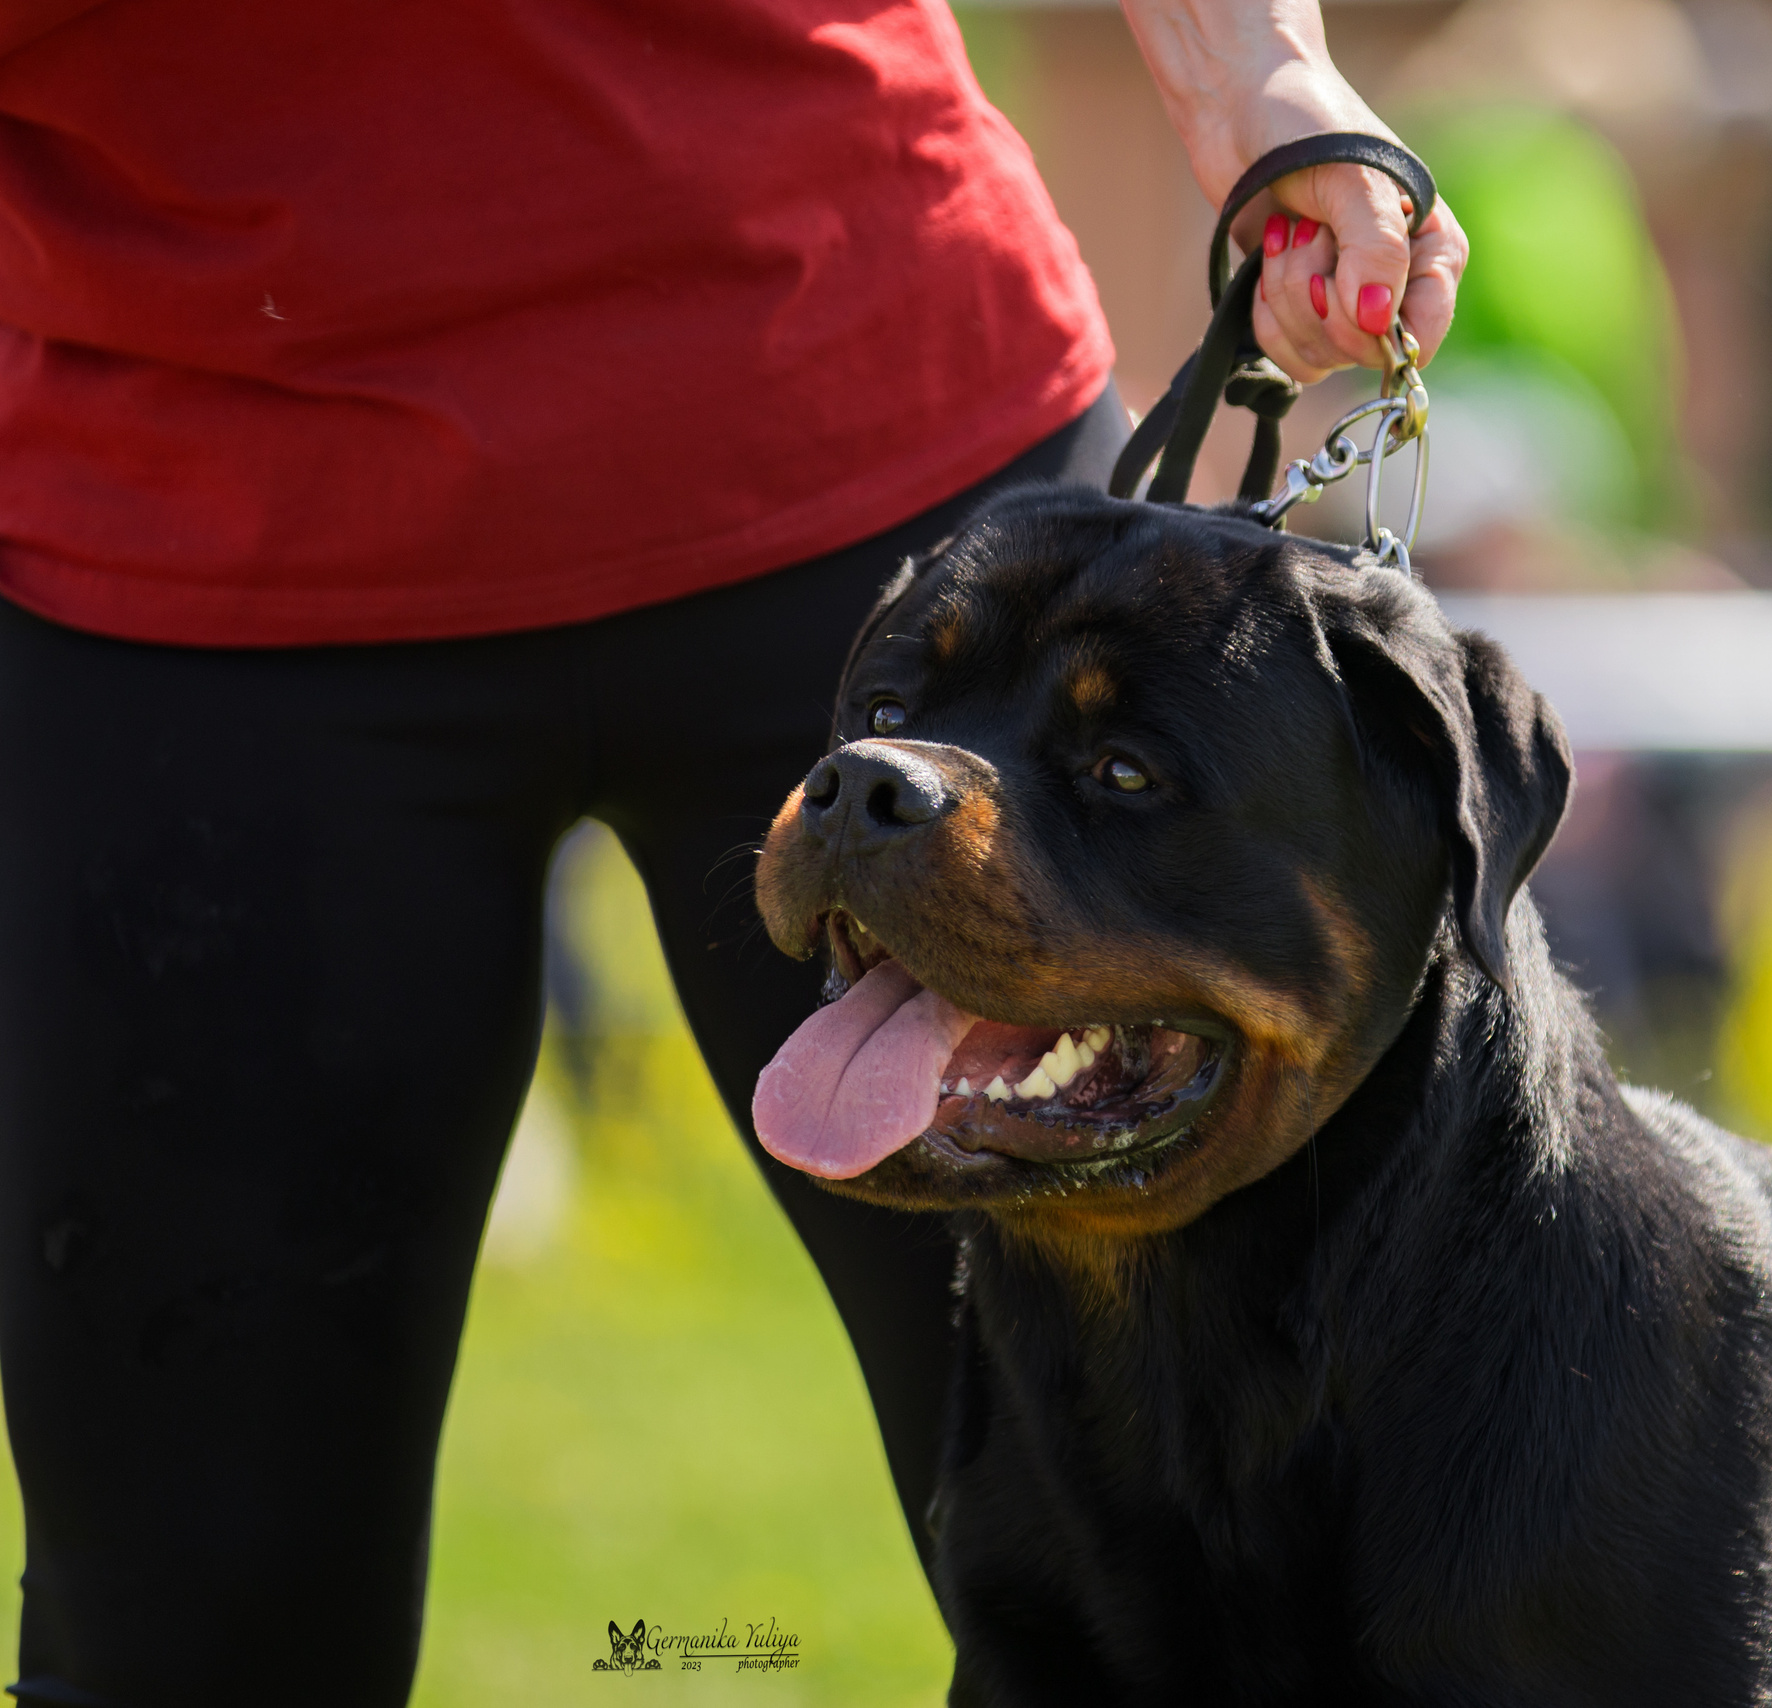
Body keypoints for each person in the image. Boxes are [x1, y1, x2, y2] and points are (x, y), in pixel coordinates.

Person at [0, 1, 1464, 1698]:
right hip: (192, 525)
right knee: (189, 1637)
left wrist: (1255, 71)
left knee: (1228, 1613)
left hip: (884, 462)